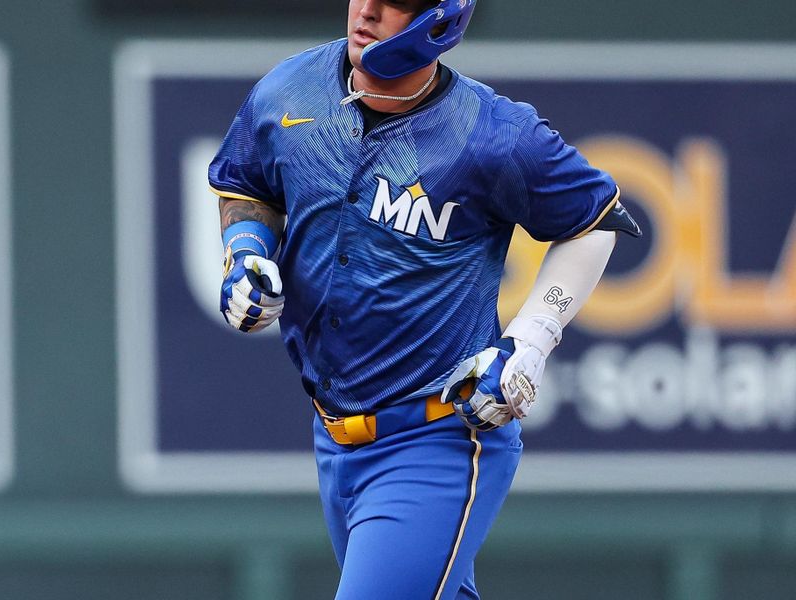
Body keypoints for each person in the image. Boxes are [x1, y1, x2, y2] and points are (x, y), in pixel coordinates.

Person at [209, 0, 641, 597]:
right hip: (334, 436)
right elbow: (246, 185)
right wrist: (247, 250)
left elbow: (595, 220)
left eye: (395, 3)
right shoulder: (291, 87)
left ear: (439, 18)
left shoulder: (492, 133)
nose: (367, 10)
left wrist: (532, 339)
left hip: (435, 436)